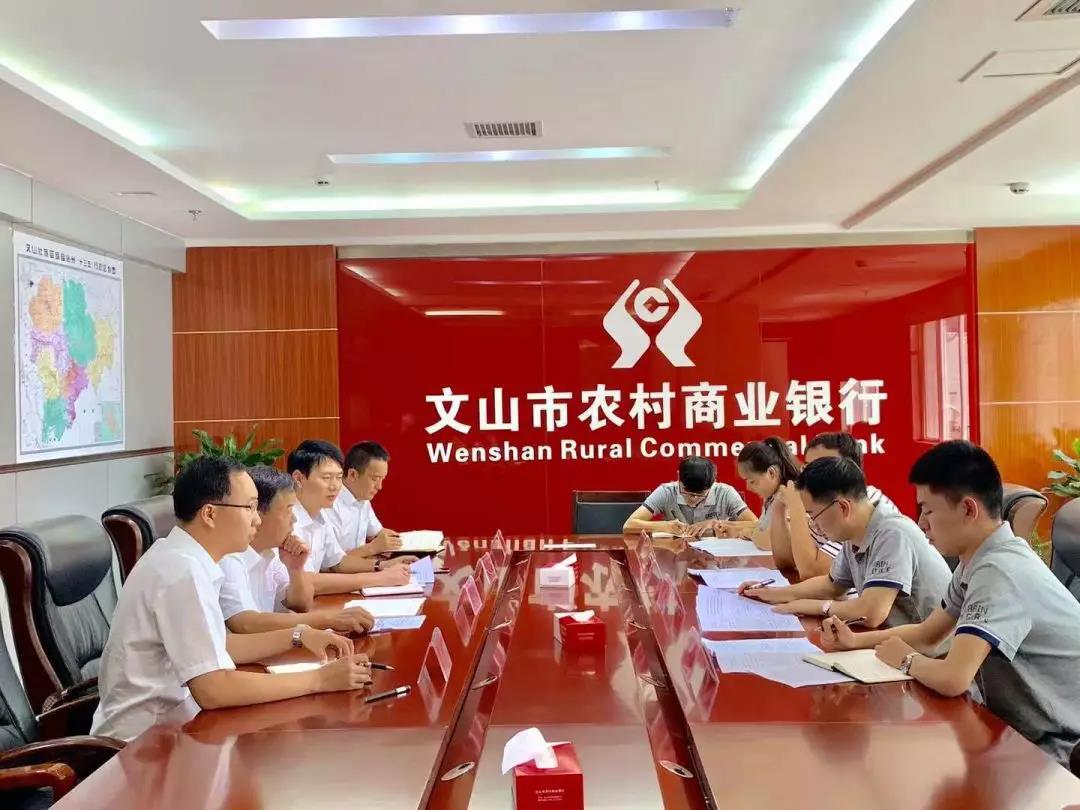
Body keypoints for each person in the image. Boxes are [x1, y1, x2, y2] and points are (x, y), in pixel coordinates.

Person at [820, 441, 1080, 769]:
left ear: (968, 509)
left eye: (928, 510)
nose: (922, 523)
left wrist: (906, 660)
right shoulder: (977, 561)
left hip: (1061, 748)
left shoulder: (999, 571)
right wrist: (854, 642)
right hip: (1019, 732)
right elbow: (928, 634)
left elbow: (953, 677)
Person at [91, 456, 372, 741]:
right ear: (210, 514)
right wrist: (320, 679)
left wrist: (298, 635)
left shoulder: (186, 559)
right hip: (143, 744)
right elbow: (213, 689)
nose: (257, 518)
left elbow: (218, 646)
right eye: (249, 507)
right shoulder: (181, 571)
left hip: (177, 726)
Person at [739, 456, 951, 629]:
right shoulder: (855, 534)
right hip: (896, 644)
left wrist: (812, 606)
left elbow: (871, 612)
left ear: (843, 507)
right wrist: (773, 594)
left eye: (813, 515)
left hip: (929, 656)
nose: (814, 525)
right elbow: (831, 585)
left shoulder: (892, 534)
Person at [218, 465, 375, 635]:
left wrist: (296, 570)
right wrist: (328, 619)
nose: (294, 519)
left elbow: (301, 605)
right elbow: (246, 624)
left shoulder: (271, 552)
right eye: (288, 510)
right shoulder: (229, 556)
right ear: (258, 513)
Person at [287, 439, 412, 594]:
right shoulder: (288, 520)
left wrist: (382, 566)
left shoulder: (320, 514)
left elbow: (338, 562)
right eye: (326, 477)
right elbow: (307, 581)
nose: (335, 486)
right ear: (299, 478)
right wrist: (380, 578)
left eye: (339, 477)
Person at [776, 430, 900, 578]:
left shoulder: (863, 505)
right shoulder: (822, 503)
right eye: (808, 467)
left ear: (848, 469)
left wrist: (796, 506)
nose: (812, 475)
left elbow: (812, 572)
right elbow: (787, 560)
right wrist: (779, 507)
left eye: (824, 466)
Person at [623, 456, 756, 537]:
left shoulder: (726, 493)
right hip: (676, 558)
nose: (693, 499)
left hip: (717, 561)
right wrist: (665, 526)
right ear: (678, 478)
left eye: (701, 495)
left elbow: (756, 525)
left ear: (713, 483)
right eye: (687, 492)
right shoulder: (666, 492)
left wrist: (717, 523)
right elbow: (629, 526)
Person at [325, 441, 402, 557]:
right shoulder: (328, 504)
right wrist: (373, 548)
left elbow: (378, 533)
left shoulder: (362, 498)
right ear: (352, 474)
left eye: (382, 479)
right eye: (375, 479)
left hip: (364, 565)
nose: (379, 486)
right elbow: (330, 563)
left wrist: (405, 541)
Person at [731, 438, 802, 550]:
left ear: (771, 473)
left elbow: (770, 540)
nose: (748, 488)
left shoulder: (790, 494)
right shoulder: (771, 496)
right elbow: (762, 526)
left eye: (752, 481)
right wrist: (732, 526)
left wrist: (750, 533)